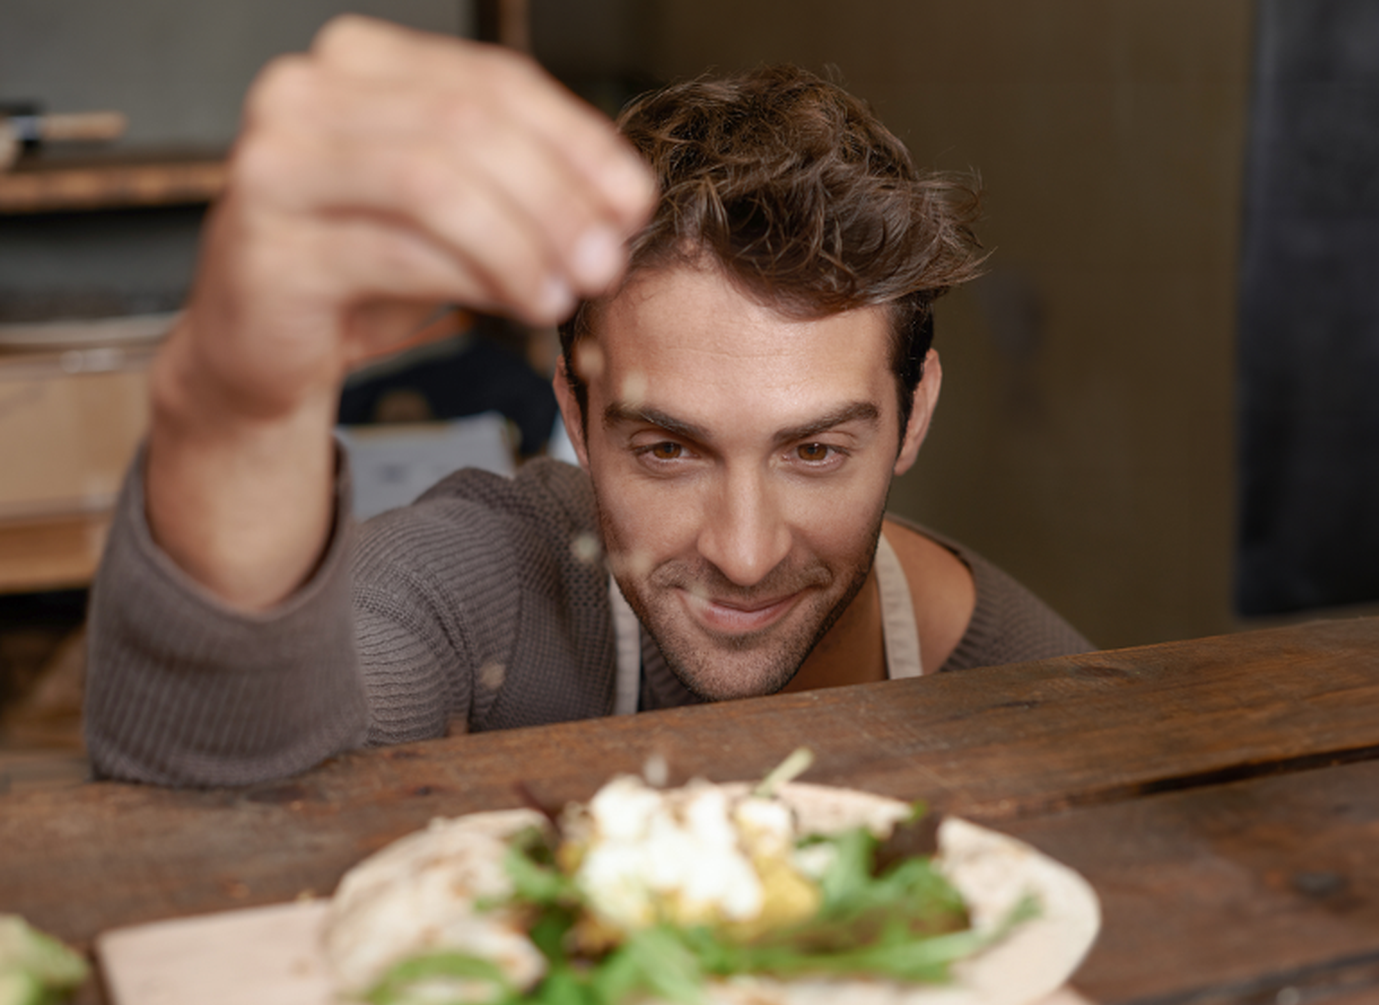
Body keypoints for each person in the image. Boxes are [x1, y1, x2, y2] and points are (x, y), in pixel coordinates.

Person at [84, 16, 1091, 786]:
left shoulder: (1032, 687)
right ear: (575, 412)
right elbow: (219, 778)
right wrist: (232, 409)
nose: (743, 555)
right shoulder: (484, 589)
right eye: (667, 450)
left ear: (913, 418)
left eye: (815, 452)